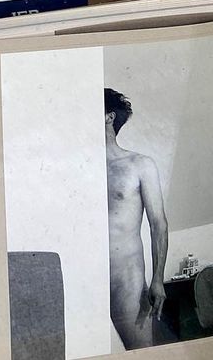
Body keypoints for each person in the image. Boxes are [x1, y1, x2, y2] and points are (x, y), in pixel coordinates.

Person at [104, 87, 167, 350]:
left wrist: (157, 279)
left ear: (109, 116)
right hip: (88, 275)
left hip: (125, 278)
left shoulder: (139, 164)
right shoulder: (80, 168)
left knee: (142, 352)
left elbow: (158, 224)